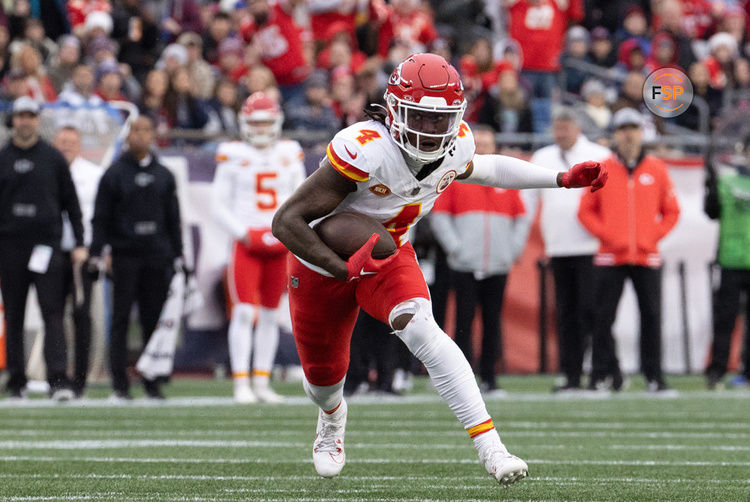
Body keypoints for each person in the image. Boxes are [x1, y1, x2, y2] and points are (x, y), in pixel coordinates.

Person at [271, 53, 606, 486]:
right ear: (394, 110)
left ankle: (493, 449)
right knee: (322, 379)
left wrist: (560, 179)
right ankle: (332, 419)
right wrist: (339, 268)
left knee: (421, 327)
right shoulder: (365, 148)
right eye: (419, 117)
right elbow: (287, 222)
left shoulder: (458, 142)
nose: (431, 131)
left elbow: (487, 168)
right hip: (320, 257)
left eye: (440, 119)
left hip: (389, 254)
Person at [211, 92, 306, 404]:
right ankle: (241, 382)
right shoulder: (233, 153)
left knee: (269, 314)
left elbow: (300, 197)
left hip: (279, 242)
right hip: (247, 244)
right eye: (256, 123)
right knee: (243, 312)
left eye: (266, 123)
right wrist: (243, 232)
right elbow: (217, 202)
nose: (262, 129)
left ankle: (262, 382)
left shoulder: (290, 152)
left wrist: (288, 232)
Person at [578, 108, 680, 393]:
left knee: (651, 317)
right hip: (611, 257)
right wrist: (610, 236)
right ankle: (599, 376)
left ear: (641, 132)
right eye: (623, 129)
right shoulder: (603, 169)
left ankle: (654, 377)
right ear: (616, 134)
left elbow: (672, 211)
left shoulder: (657, 169)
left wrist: (651, 237)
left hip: (647, 256)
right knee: (602, 318)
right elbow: (586, 212)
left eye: (633, 128)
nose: (629, 134)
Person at [430, 126, 533, 393]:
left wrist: (512, 251)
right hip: (465, 264)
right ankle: (462, 379)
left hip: (497, 264)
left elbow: (521, 217)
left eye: (488, 143)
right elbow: (440, 216)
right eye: (480, 143)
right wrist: (456, 249)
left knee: (492, 321)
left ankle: (489, 376)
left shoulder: (505, 181)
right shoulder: (457, 178)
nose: (484, 148)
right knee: (463, 321)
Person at [90, 115, 183, 401]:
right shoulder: (114, 173)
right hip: (125, 256)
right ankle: (120, 383)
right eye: (136, 130)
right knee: (120, 319)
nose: (141, 136)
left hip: (156, 256)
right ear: (127, 135)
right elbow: (101, 218)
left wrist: (178, 256)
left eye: (146, 130)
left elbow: (172, 219)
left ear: (153, 135)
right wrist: (97, 252)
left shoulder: (164, 175)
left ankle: (152, 380)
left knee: (152, 319)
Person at [0, 97, 87, 401]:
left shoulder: (52, 158)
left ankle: (58, 379)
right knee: (14, 315)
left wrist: (78, 242)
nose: (25, 121)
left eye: (30, 116)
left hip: (46, 247)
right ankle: (16, 381)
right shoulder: (3, 157)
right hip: (10, 247)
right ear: (14, 119)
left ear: (37, 120)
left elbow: (71, 204)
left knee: (53, 313)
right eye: (20, 116)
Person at [523, 108, 611, 392]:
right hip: (559, 246)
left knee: (593, 311)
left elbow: (610, 202)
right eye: (557, 129)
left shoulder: (598, 154)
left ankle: (601, 372)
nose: (561, 134)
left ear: (578, 128)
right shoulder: (543, 157)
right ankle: (571, 374)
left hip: (592, 246)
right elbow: (528, 200)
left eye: (566, 128)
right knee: (565, 314)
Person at [54, 125, 104, 398]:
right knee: (53, 315)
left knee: (82, 315)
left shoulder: (93, 174)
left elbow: (101, 215)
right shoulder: (49, 169)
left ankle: (82, 377)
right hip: (52, 251)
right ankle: (57, 375)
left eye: (71, 142)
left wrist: (92, 248)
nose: (66, 146)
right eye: (62, 141)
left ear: (80, 145)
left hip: (81, 254)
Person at [704, 136, 750, 389]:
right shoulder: (727, 181)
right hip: (731, 259)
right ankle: (717, 371)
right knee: (725, 319)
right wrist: (709, 187)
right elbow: (712, 211)